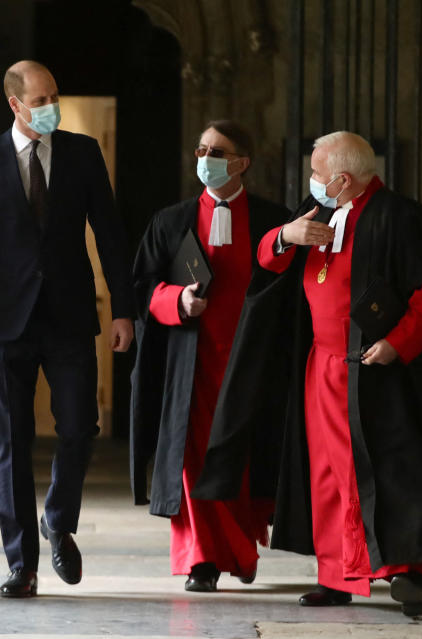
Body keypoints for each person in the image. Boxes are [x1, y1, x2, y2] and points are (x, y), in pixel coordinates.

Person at [195, 131, 422, 615]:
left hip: (379, 370)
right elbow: (265, 261)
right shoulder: (315, 211)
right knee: (326, 474)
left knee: (399, 470)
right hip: (321, 366)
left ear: (341, 179)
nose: (312, 182)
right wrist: (285, 235)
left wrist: (396, 344)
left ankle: (406, 572)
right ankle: (337, 576)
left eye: (318, 174)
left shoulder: (400, 218)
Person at [0, 60, 135, 598]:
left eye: (55, 95)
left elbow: (110, 234)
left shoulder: (82, 152)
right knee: (13, 439)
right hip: (3, 321)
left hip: (70, 314)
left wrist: (124, 308)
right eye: (41, 98)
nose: (51, 104)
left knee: (79, 425)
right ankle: (21, 564)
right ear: (16, 104)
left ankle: (58, 517)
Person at [130, 121, 288, 591]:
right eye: (200, 148)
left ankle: (239, 551)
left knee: (241, 456)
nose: (205, 157)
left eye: (216, 151)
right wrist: (176, 302)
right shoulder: (170, 221)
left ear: (241, 163)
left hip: (251, 362)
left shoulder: (272, 221)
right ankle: (199, 559)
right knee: (192, 457)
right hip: (191, 362)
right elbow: (141, 291)